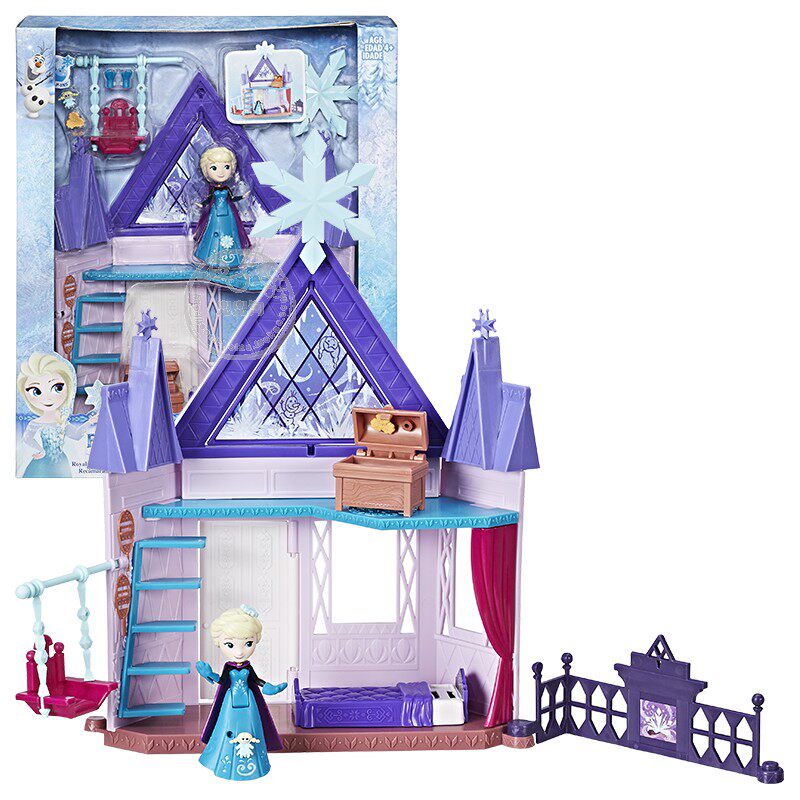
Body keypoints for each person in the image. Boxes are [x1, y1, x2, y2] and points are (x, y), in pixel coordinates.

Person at [196, 605, 287, 780]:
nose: (239, 652)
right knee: (226, 727)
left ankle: (256, 764)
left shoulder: (248, 667)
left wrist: (270, 688)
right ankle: (224, 762)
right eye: (230, 645)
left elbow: (257, 680)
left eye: (248, 643)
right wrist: (209, 674)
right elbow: (221, 680)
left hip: (249, 703)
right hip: (230, 704)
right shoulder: (228, 667)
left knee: (252, 727)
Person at [193, 146, 251, 268]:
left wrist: (242, 196)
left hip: (227, 213)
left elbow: (232, 198)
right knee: (213, 231)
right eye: (214, 168)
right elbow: (209, 199)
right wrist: (202, 204)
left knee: (229, 232)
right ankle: (210, 256)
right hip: (215, 213)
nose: (220, 172)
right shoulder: (212, 189)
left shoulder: (227, 188)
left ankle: (232, 258)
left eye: (226, 167)